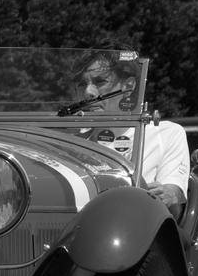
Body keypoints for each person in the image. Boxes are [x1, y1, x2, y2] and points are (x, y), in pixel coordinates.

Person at [72, 49, 189, 208]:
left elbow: (173, 191)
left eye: (100, 82)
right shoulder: (73, 139)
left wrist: (168, 193)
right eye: (82, 84)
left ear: (128, 86)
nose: (88, 92)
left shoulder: (166, 133)